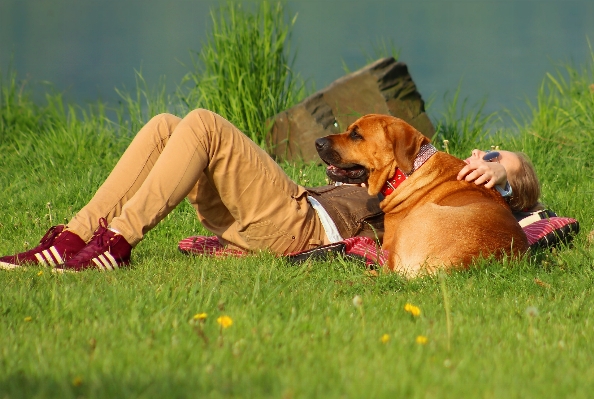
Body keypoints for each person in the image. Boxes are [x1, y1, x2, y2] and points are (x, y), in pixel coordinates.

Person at [0, 109, 541, 271]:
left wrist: (505, 170)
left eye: (489, 161)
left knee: (205, 125)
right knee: (169, 125)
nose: (476, 158)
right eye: (479, 153)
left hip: (301, 222)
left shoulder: (455, 192)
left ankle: (117, 239)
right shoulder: (427, 169)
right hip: (275, 216)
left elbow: (526, 199)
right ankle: (71, 236)